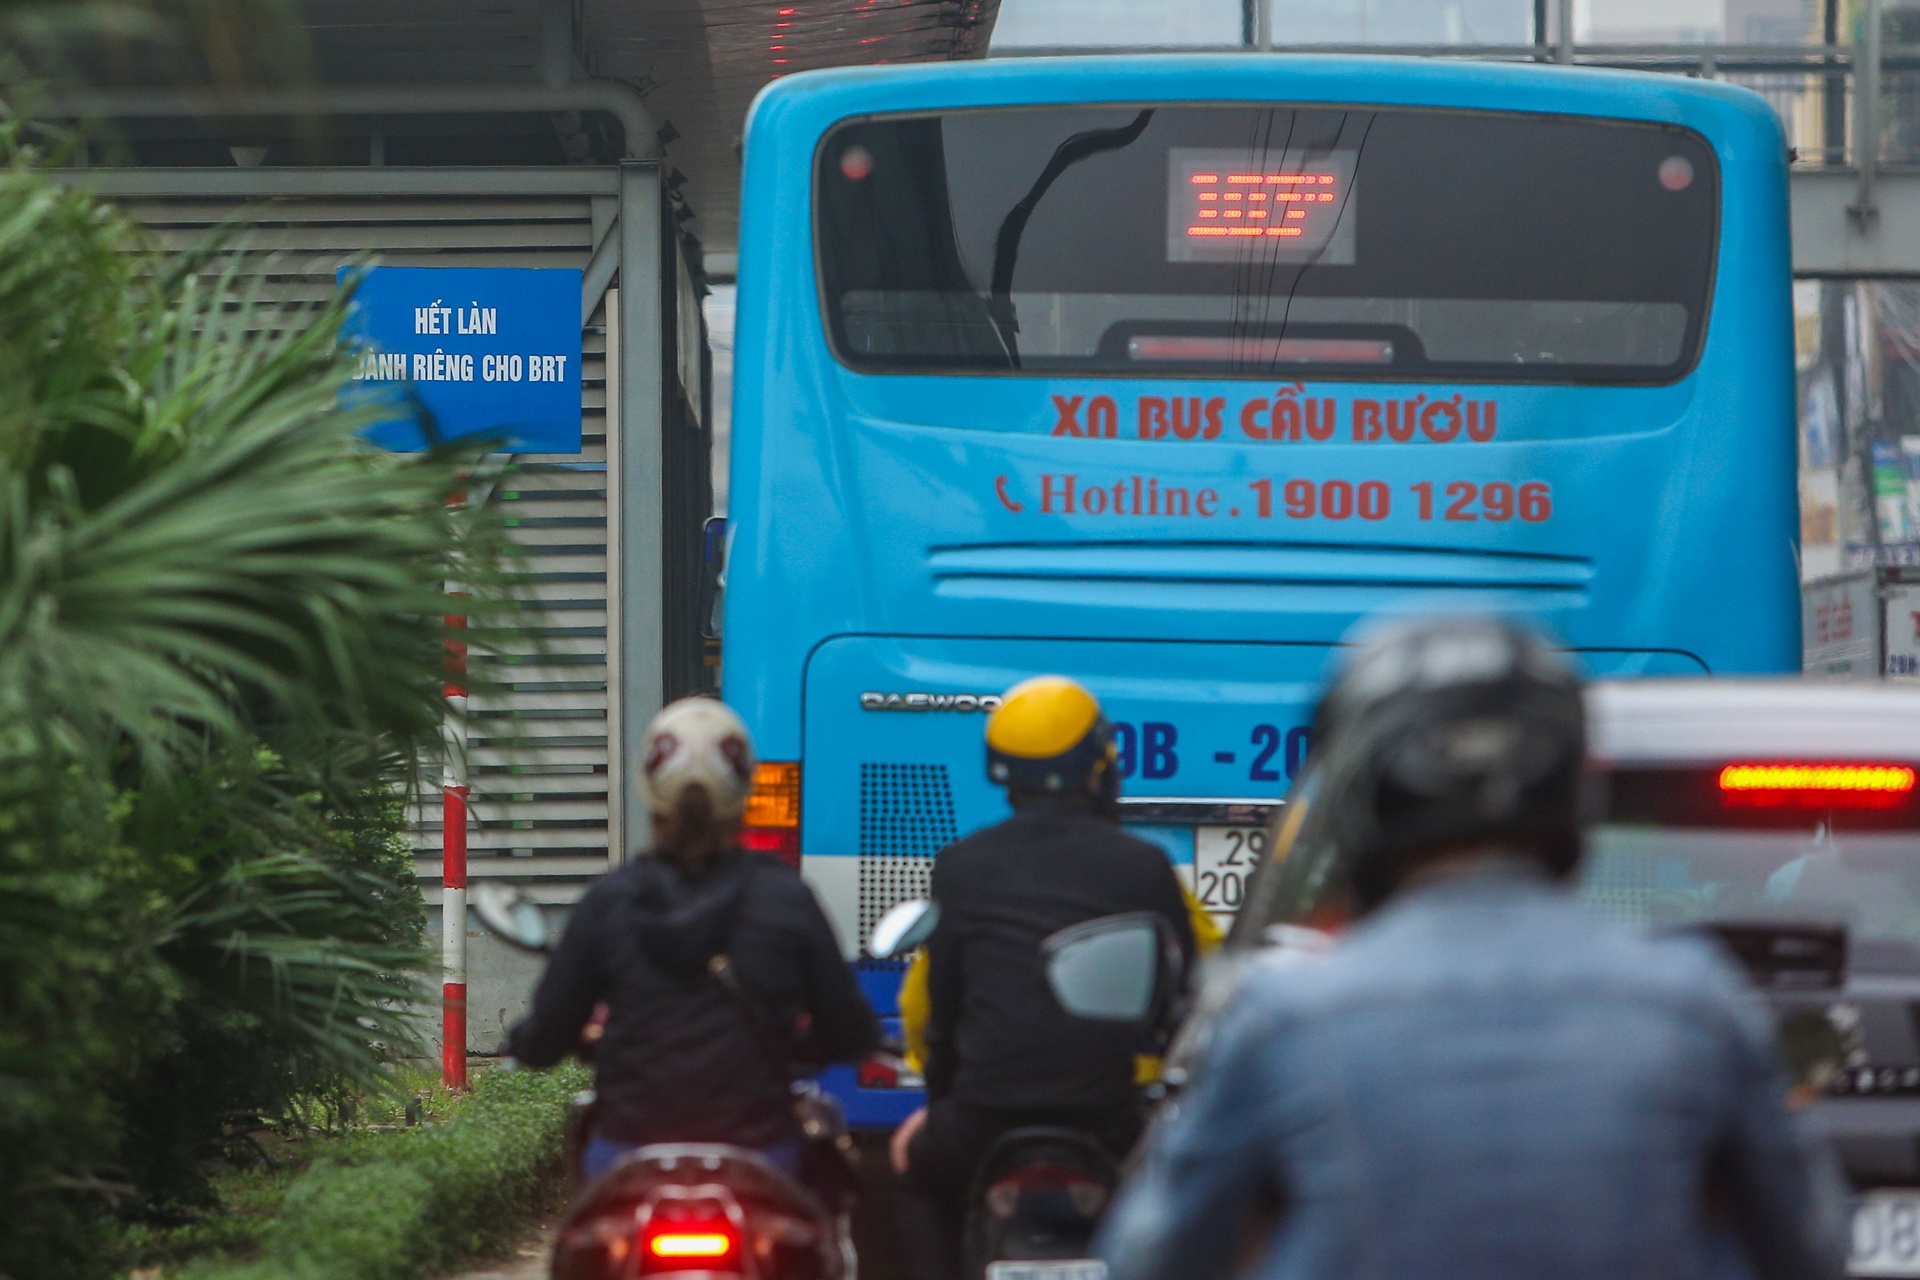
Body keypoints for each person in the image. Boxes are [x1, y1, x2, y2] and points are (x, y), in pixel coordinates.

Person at [1095, 617, 1849, 1280]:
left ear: (1365, 799)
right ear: (1569, 792)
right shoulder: (1695, 1002)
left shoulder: (1285, 1018)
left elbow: (1151, 1257)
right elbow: (1811, 1246)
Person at [891, 675, 1201, 1280]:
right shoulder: (1142, 866)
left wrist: (944, 1109)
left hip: (983, 1118)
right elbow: (1184, 998)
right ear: (1098, 767)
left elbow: (944, 1016)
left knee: (916, 1175)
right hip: (1107, 1117)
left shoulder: (962, 866)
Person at [508, 696, 879, 1181]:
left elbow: (545, 1039)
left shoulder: (608, 902)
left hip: (630, 1148)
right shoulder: (785, 898)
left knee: (581, 1245)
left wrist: (526, 1039)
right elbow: (848, 1029)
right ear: (744, 789)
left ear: (648, 789)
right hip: (761, 1150)